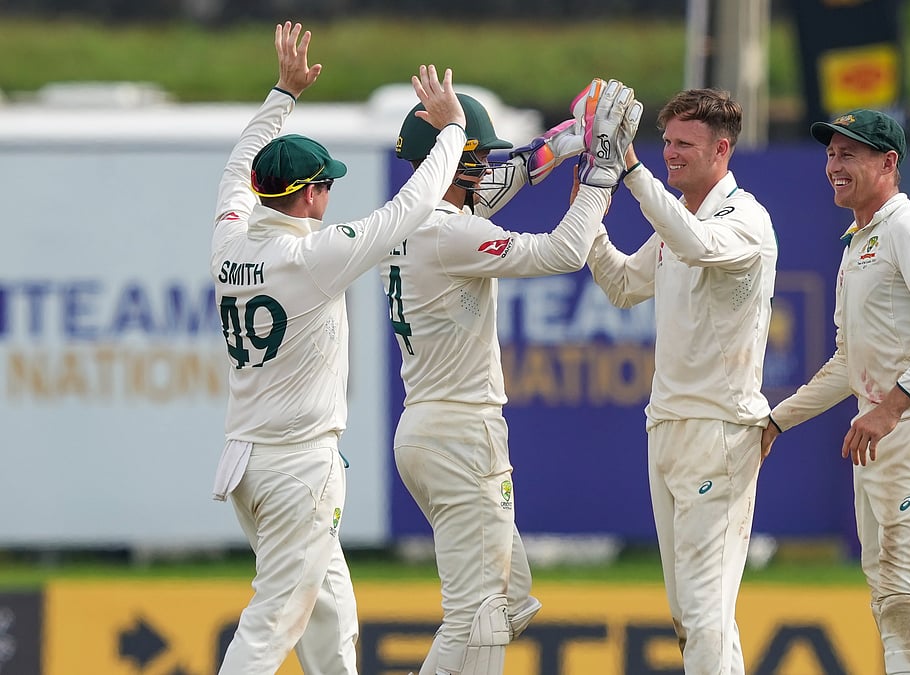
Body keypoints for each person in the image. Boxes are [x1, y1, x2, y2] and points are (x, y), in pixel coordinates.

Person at [208, 21, 466, 674]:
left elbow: (240, 163)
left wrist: (282, 94)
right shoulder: (310, 257)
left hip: (248, 460)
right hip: (298, 467)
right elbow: (405, 212)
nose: (332, 196)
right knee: (273, 622)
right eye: (327, 185)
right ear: (309, 194)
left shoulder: (231, 236)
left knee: (329, 614)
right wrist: (453, 133)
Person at [383, 79, 642, 675]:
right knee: (479, 613)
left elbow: (511, 174)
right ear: (461, 160)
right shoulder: (452, 234)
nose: (487, 167)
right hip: (461, 435)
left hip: (428, 429)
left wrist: (568, 138)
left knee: (504, 597)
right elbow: (562, 253)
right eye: (479, 156)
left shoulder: (409, 220)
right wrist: (601, 171)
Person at [760, 109, 910, 675]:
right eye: (832, 154)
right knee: (893, 608)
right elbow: (848, 364)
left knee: (909, 610)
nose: (834, 165)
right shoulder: (861, 239)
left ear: (889, 163)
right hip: (889, 448)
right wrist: (776, 421)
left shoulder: (909, 228)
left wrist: (889, 408)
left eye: (849, 155)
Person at [586, 87, 777, 674]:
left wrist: (633, 171)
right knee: (692, 610)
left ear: (722, 149)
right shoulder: (679, 218)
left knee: (702, 609)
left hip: (720, 432)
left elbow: (696, 248)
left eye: (684, 145)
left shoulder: (744, 218)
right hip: (667, 426)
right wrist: (589, 212)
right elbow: (622, 286)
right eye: (665, 142)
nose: (670, 154)